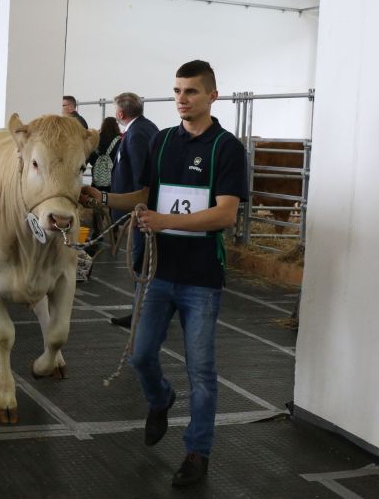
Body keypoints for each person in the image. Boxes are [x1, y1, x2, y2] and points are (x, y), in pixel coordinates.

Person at [80, 60, 247, 487]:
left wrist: (164, 220)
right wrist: (100, 196)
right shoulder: (163, 141)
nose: (181, 100)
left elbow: (225, 215)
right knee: (140, 355)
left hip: (202, 279)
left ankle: (197, 453)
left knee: (202, 372)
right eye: (176, 91)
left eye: (190, 92)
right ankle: (161, 398)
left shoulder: (226, 148)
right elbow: (143, 197)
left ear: (212, 95)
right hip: (158, 274)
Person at [109, 92, 158, 328]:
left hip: (138, 210)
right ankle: (142, 312)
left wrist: (138, 209)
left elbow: (142, 177)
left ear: (120, 113)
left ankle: (142, 314)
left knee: (141, 262)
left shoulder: (137, 134)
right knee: (143, 262)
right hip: (136, 207)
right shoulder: (143, 128)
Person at [86, 116, 121, 253]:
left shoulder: (97, 141)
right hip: (113, 179)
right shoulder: (119, 141)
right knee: (113, 206)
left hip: (97, 180)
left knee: (97, 207)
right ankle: (115, 233)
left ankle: (97, 234)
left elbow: (91, 159)